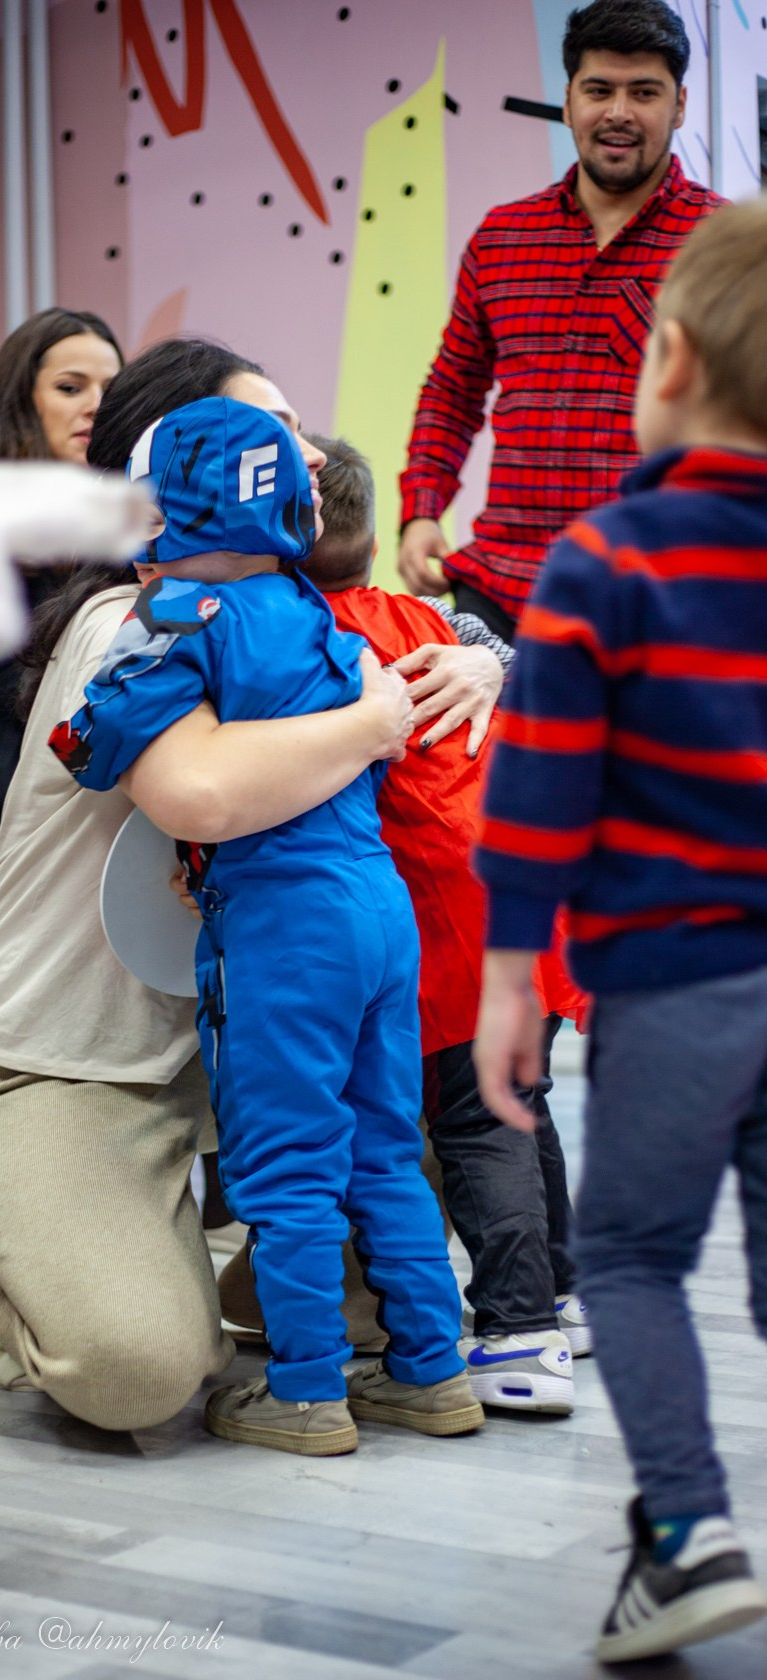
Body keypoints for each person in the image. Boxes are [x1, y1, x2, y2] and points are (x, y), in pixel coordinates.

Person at [0, 335, 510, 1433]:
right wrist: (375, 719)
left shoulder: (294, 610)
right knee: (141, 1373)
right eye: (267, 431)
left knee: (380, 1194)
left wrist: (486, 656)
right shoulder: (134, 620)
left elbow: (438, 630)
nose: (305, 452)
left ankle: (234, 1297)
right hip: (66, 1056)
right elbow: (197, 792)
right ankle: (14, 1255)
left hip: (238, 1021)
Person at [55, 394, 483, 1456]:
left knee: (289, 1166)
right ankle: (432, 1372)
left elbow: (95, 745)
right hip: (377, 907)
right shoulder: (316, 614)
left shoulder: (180, 622)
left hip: (286, 927)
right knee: (384, 1147)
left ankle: (304, 1390)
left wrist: (93, 716)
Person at [473, 201, 767, 1661]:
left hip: (674, 981)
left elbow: (536, 792)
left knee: (636, 1258)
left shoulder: (606, 559)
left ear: (673, 360)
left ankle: (689, 1531)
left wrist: (511, 975)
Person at [299, 433, 586, 1413]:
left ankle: (519, 1336)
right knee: (520, 1101)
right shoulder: (437, 620)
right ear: (376, 537)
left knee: (473, 1122)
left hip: (447, 918)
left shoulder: (303, 639)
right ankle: (563, 1297)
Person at [398, 0, 722, 639]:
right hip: (499, 585)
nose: (619, 112)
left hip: (652, 592)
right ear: (569, 101)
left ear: (680, 105)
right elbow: (453, 388)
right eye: (599, 90)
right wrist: (422, 509)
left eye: (644, 92)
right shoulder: (503, 236)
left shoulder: (722, 246)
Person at [0, 307, 123, 923]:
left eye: (111, 389)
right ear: (21, 402)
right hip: (1, 834)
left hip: (99, 825)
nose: (96, 406)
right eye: (71, 387)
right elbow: (37, 695)